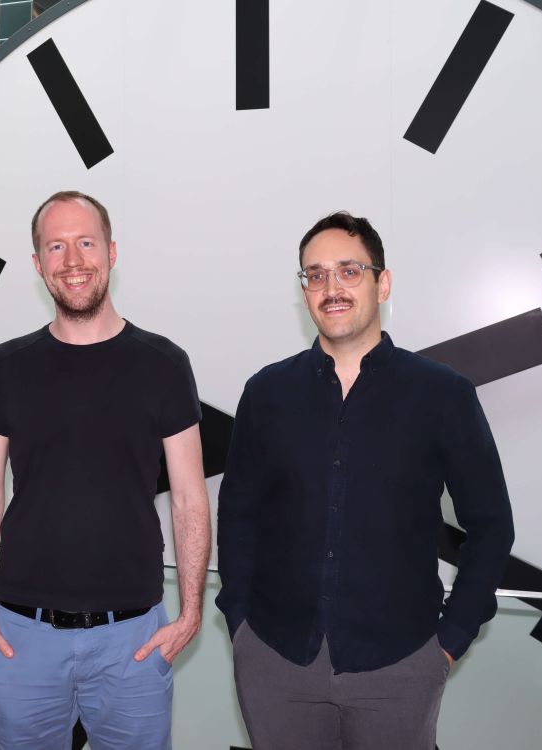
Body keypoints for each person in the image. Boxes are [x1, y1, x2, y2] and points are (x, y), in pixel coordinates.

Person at [216, 211, 515, 749]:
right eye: (315, 275)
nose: (331, 288)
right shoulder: (266, 393)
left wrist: (450, 640)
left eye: (349, 271)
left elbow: (491, 526)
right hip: (275, 662)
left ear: (383, 282)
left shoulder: (443, 395)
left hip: (400, 665)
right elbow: (238, 516)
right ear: (304, 291)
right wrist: (239, 622)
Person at [0, 191, 211, 750]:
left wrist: (191, 613)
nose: (73, 260)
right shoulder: (6, 366)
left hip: (133, 639)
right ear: (37, 263)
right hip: (22, 636)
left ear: (111, 252)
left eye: (86, 243)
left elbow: (190, 499)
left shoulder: (165, 365)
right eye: (56, 247)